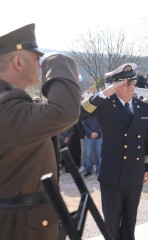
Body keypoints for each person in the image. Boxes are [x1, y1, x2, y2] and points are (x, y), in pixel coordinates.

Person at [0, 24, 81, 240]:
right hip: (20, 228)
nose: (40, 63)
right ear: (18, 62)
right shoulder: (6, 106)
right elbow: (65, 112)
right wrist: (57, 61)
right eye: (36, 58)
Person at [81, 63, 148, 240]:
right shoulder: (105, 104)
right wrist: (104, 94)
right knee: (111, 223)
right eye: (126, 83)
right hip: (112, 173)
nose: (131, 86)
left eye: (133, 82)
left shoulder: (142, 107)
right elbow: (80, 113)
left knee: (130, 220)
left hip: (135, 171)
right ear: (115, 85)